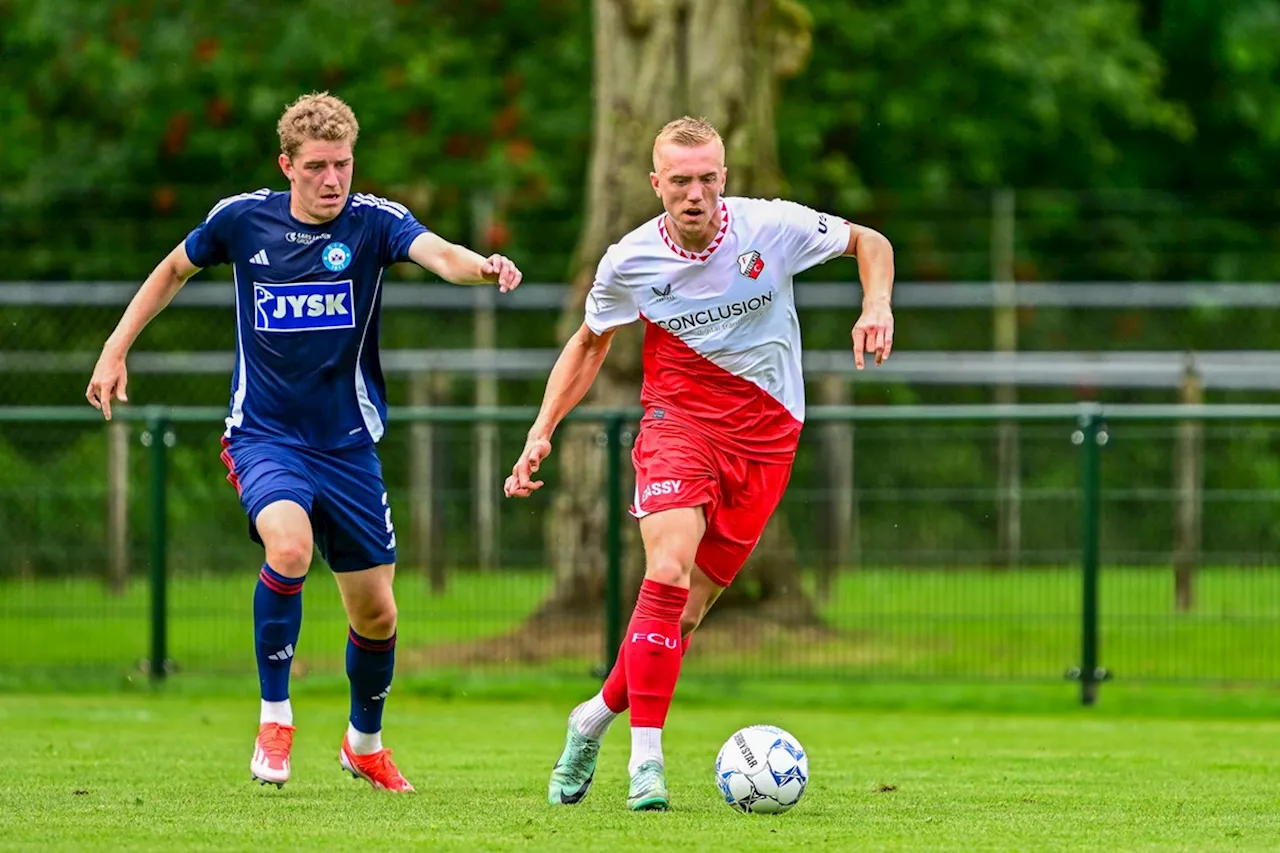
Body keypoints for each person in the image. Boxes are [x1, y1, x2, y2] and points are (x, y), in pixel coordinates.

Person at [86, 91, 523, 793]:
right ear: (286, 164)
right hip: (264, 435)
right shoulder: (242, 219)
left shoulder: (373, 223)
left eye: (342, 164)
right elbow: (172, 269)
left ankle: (364, 743)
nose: (332, 180)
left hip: (347, 445)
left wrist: (483, 266)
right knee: (288, 547)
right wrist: (115, 348)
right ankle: (275, 714)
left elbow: (436, 251)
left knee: (377, 612)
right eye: (316, 166)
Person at [504, 116, 894, 811]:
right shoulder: (629, 259)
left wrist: (876, 304)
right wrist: (542, 429)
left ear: (724, 178)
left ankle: (590, 718)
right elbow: (590, 342)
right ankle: (645, 763)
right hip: (677, 424)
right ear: (657, 184)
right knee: (665, 567)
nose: (695, 192)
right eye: (679, 180)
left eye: (707, 178)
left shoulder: (769, 227)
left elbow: (871, 241)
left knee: (679, 619)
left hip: (768, 437)